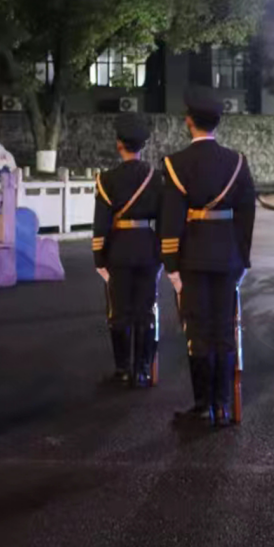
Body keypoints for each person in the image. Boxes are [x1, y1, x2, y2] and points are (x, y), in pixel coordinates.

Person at [160, 85, 257, 428]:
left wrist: (171, 264)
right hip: (228, 258)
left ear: (189, 121)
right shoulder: (237, 162)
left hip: (193, 260)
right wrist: (242, 258)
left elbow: (171, 219)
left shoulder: (176, 164)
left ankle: (204, 406)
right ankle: (224, 405)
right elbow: (246, 215)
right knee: (224, 331)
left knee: (198, 333)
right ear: (218, 122)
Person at [91, 113, 165, 388]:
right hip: (148, 249)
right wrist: (163, 253)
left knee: (119, 312)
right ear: (143, 145)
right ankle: (142, 371)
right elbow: (165, 221)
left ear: (119, 144)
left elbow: (101, 224)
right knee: (145, 310)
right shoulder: (156, 178)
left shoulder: (107, 179)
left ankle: (122, 371)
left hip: (118, 250)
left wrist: (99, 257)